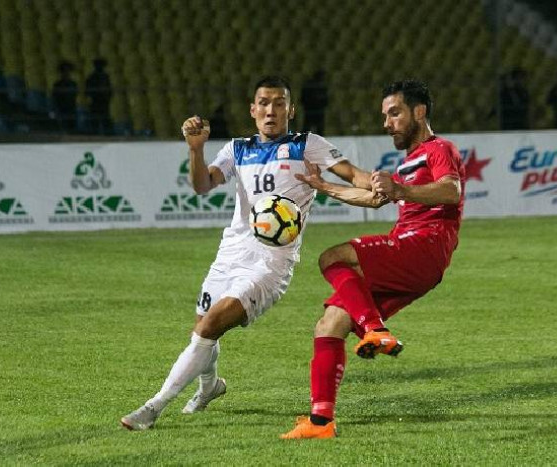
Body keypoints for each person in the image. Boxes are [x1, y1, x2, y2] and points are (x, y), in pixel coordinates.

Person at [120, 76, 375, 431]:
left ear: (291, 109)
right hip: (230, 254)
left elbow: (353, 174)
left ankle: (153, 407)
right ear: (253, 110)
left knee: (210, 326)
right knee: (204, 329)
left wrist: (379, 184)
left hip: (271, 263)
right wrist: (195, 149)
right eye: (264, 103)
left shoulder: (307, 145)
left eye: (279, 103)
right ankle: (210, 387)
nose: (271, 110)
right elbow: (202, 186)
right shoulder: (237, 149)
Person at [280, 79, 465, 439]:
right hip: (411, 254)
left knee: (334, 257)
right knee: (329, 323)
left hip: (423, 246)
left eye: (394, 113)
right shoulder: (411, 162)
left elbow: (451, 190)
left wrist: (402, 189)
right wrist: (325, 188)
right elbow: (374, 198)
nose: (387, 123)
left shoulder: (438, 148)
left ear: (419, 111)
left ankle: (374, 329)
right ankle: (321, 422)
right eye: (385, 115)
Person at [85, 58, 112, 135]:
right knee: (95, 121)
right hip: (95, 101)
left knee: (105, 120)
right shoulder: (91, 77)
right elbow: (88, 91)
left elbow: (109, 89)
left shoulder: (106, 77)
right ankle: (95, 134)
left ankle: (108, 135)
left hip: (104, 101)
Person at [51, 61, 78, 132]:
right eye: (64, 71)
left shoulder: (73, 84)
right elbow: (54, 97)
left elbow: (74, 95)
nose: (66, 73)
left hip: (71, 109)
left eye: (68, 71)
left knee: (72, 127)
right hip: (61, 109)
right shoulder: (57, 84)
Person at [301, 70, 330, 134]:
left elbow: (325, 99)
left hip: (318, 110)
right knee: (307, 127)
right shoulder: (309, 85)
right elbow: (304, 98)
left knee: (319, 128)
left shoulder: (322, 86)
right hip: (311, 109)